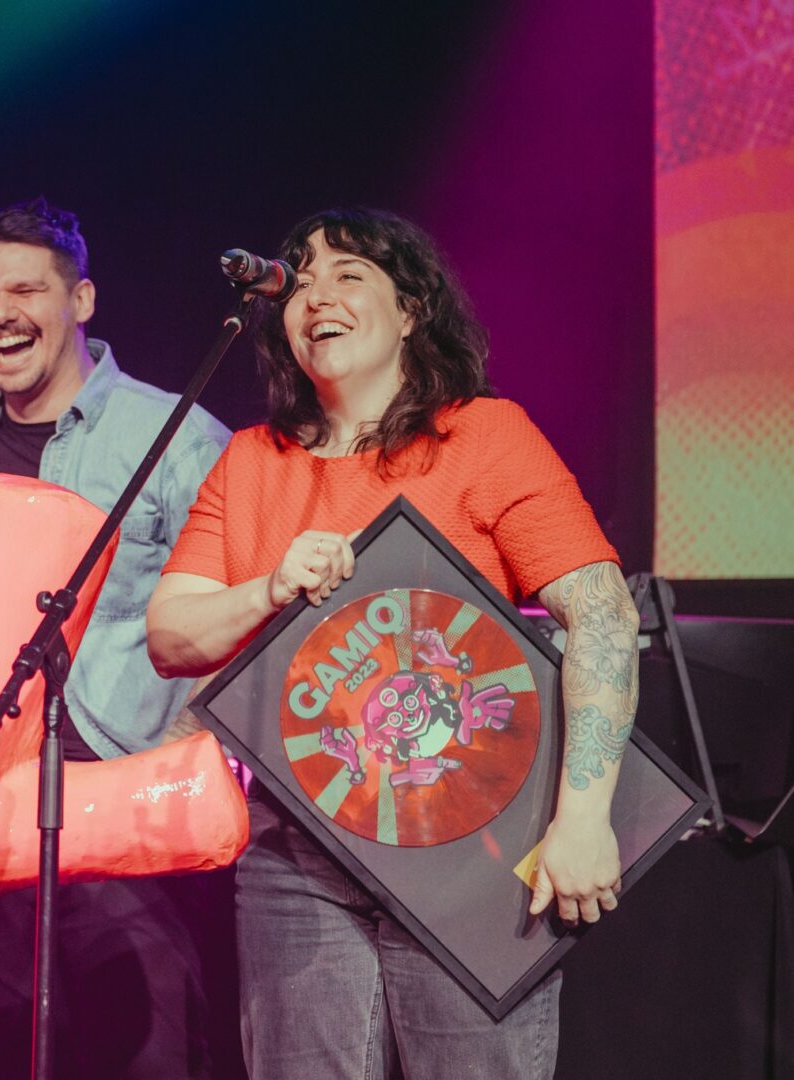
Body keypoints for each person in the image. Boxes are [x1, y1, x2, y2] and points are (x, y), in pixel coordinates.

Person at [147, 206, 639, 1078]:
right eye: (298, 280)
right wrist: (268, 587)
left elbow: (601, 614)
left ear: (411, 309)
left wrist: (584, 820)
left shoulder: (484, 436)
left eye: (349, 275)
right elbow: (171, 634)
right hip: (296, 854)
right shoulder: (254, 461)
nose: (315, 296)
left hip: (473, 851)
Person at [0, 197, 234, 1078]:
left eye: (25, 290)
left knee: (140, 1049)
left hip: (115, 799)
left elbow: (246, 611)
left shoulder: (171, 435)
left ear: (82, 300)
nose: (0, 314)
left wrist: (182, 747)